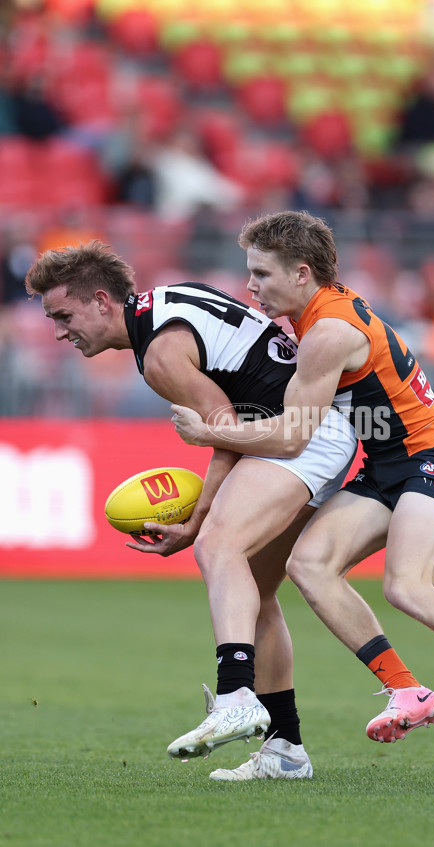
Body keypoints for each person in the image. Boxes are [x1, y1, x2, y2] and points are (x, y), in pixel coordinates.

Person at [171, 210, 434, 754]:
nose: (250, 286)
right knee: (308, 565)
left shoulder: (328, 332)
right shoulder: (318, 315)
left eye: (262, 274)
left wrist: (210, 431)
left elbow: (293, 437)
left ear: (301, 273)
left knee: (407, 586)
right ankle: (405, 690)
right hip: (385, 464)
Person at [25, 240, 357, 780]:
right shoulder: (165, 303)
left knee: (217, 546)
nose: (61, 332)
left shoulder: (157, 353)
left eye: (64, 315)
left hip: (301, 433)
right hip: (314, 426)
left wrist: (198, 519)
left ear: (102, 301)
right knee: (255, 592)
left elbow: (221, 421)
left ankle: (235, 696)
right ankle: (285, 749)